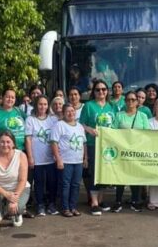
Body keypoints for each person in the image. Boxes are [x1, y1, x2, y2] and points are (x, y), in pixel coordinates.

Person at [80, 79, 117, 215]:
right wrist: (89, 129)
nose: (101, 92)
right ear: (93, 92)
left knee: (105, 173)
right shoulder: (88, 106)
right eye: (98, 90)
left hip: (108, 146)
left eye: (104, 89)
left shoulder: (112, 106)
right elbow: (80, 124)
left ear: (107, 92)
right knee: (94, 173)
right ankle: (94, 203)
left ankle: (101, 200)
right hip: (92, 144)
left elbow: (116, 124)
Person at [0, 130, 31, 236]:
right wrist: (6, 195)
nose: (5, 145)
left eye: (8, 142)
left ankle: (16, 212)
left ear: (13, 143)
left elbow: (22, 180)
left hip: (18, 188)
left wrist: (14, 198)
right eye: (2, 142)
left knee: (16, 207)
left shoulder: (21, 155)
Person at [112, 90, 150, 212]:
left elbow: (147, 134)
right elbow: (113, 132)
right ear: (125, 101)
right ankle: (118, 201)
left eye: (133, 99)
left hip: (137, 151)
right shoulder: (119, 115)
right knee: (120, 176)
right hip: (122, 151)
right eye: (128, 99)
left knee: (135, 175)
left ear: (137, 102)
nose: (130, 102)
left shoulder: (143, 116)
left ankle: (135, 200)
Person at [51, 103, 88, 217]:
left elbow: (84, 143)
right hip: (65, 161)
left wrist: (85, 158)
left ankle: (73, 207)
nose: (70, 113)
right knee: (65, 185)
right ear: (63, 113)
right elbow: (54, 143)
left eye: (72, 111)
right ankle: (65, 208)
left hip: (78, 161)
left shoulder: (80, 126)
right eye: (67, 111)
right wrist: (58, 159)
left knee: (76, 185)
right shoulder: (59, 125)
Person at [25, 95, 58, 216]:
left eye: (45, 104)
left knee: (52, 182)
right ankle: (40, 205)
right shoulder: (30, 120)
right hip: (37, 158)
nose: (42, 107)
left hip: (50, 158)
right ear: (36, 105)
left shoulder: (53, 119)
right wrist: (30, 157)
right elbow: (28, 139)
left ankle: (52, 204)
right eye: (40, 104)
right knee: (38, 183)